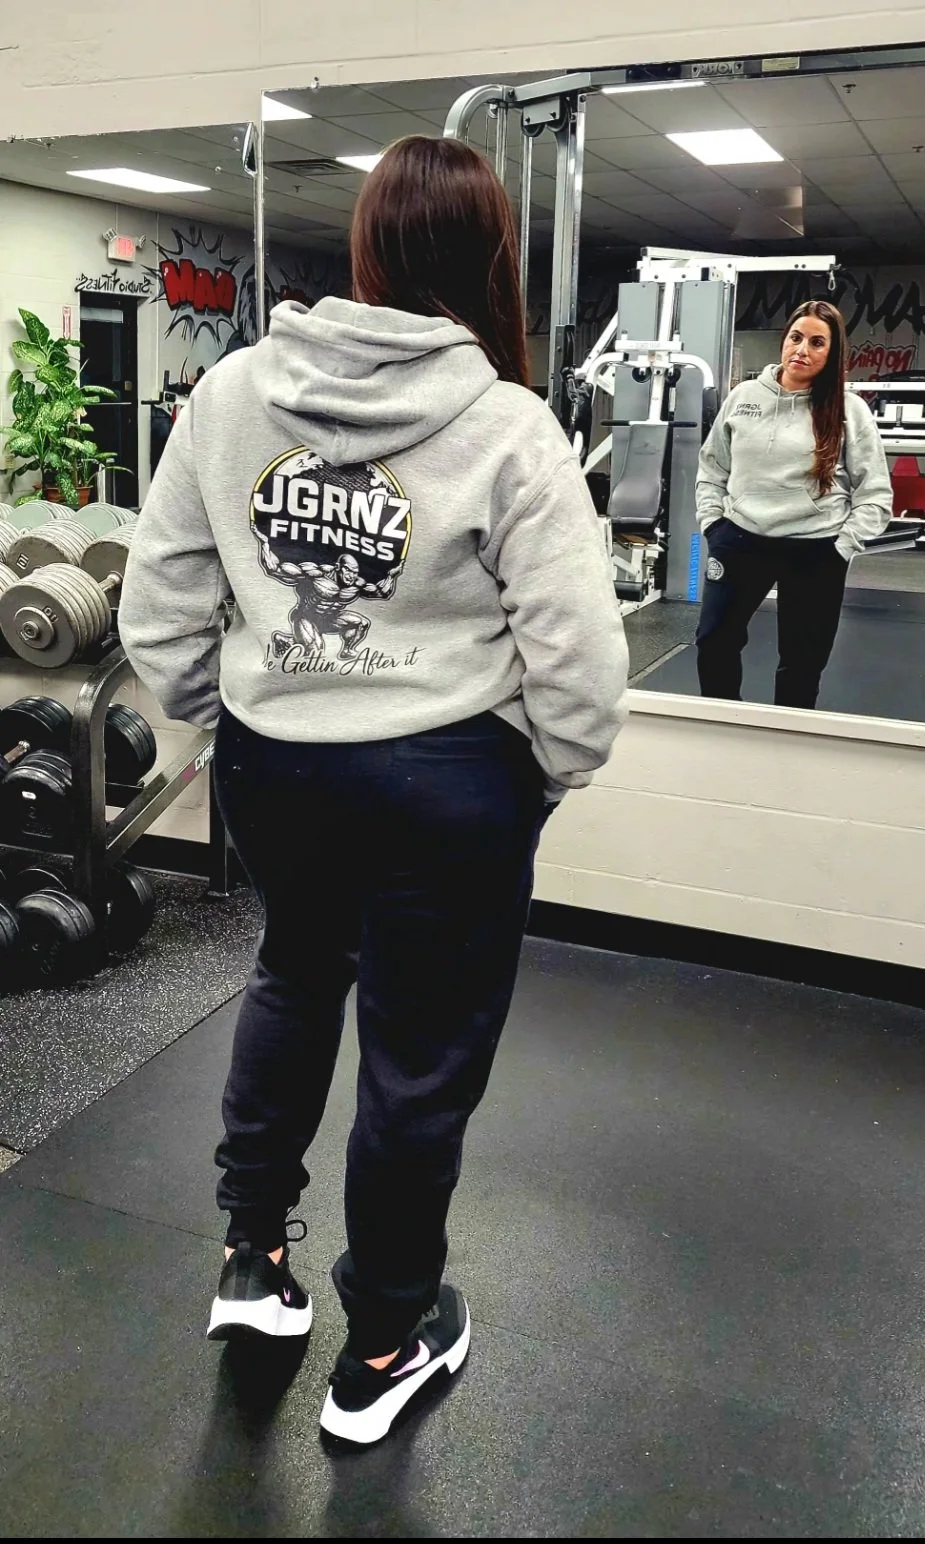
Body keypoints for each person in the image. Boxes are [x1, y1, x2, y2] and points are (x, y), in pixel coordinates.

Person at [117, 135, 628, 1446]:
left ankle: (255, 1267)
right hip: (446, 780)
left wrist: (230, 714)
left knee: (293, 978)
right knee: (416, 1058)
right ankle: (388, 1340)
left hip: (279, 766)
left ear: (364, 249)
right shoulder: (508, 421)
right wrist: (537, 778)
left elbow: (160, 609)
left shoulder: (232, 393)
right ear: (486, 261)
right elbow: (578, 656)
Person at [695, 299, 892, 709]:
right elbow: (711, 468)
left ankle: (787, 751)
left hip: (815, 549)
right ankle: (721, 730)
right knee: (714, 643)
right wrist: (714, 524)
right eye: (796, 338)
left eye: (817, 343)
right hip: (741, 539)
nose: (802, 349)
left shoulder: (848, 411)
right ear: (784, 341)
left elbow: (875, 494)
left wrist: (842, 547)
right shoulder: (744, 397)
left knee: (802, 663)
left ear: (831, 353)